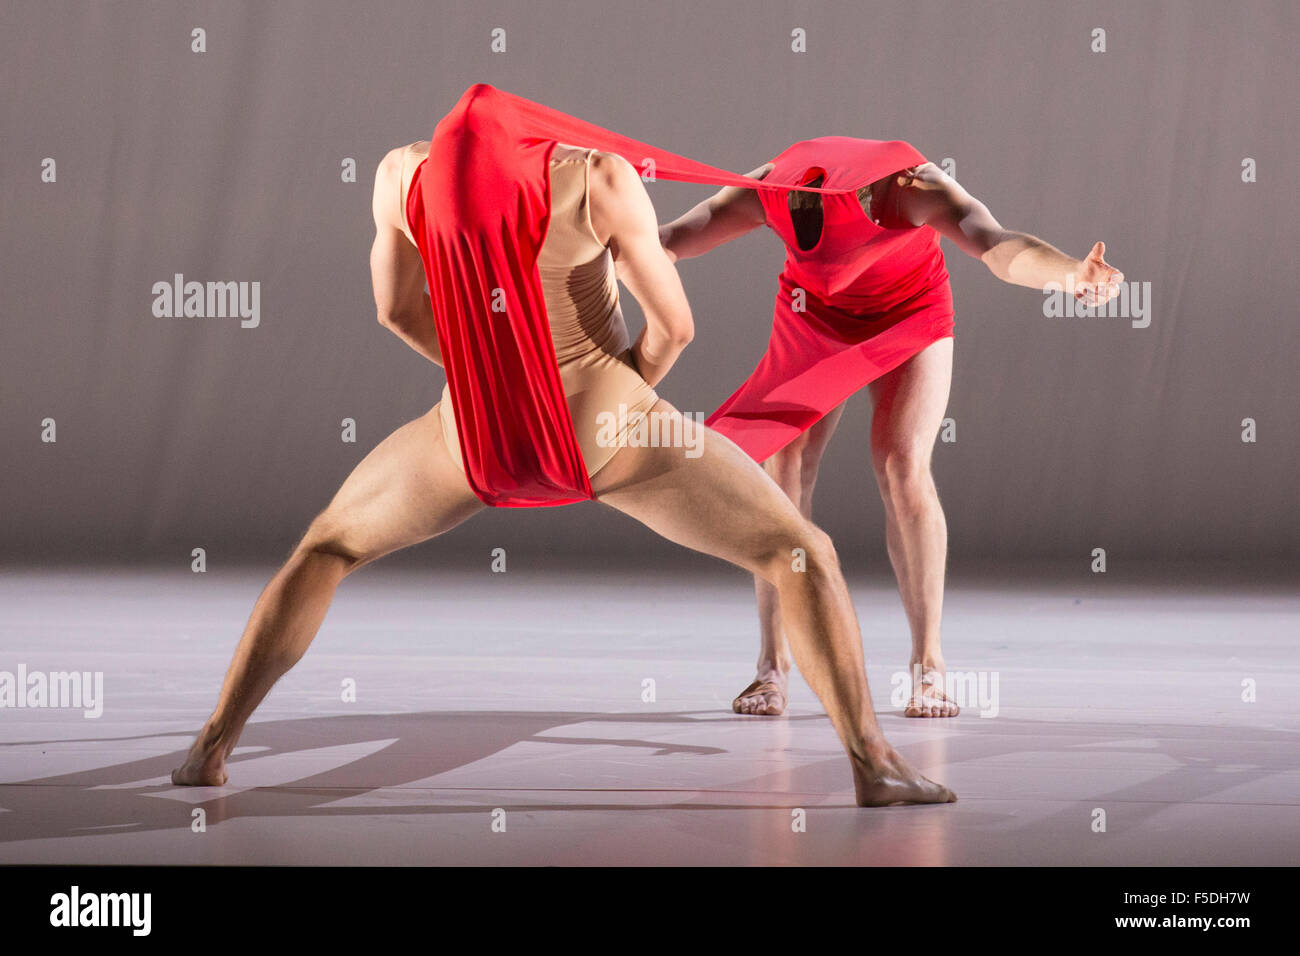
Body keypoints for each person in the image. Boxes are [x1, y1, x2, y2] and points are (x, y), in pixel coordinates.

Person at [170, 87, 955, 807]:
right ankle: (874, 765)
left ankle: (210, 748)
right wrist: (622, 392)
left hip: (470, 435)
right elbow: (675, 328)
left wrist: (495, 379)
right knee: (800, 552)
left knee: (326, 548)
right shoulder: (597, 177)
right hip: (606, 431)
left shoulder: (398, 175)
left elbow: (394, 313)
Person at [660, 137, 1124, 718]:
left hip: (910, 314)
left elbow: (996, 244)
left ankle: (928, 667)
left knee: (902, 465)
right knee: (784, 467)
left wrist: (1066, 274)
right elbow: (672, 241)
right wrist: (577, 252)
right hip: (816, 317)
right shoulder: (773, 186)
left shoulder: (913, 188)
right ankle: (770, 668)